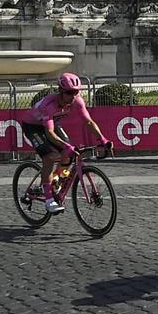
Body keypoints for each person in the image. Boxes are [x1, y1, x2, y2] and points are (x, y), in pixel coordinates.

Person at [19, 73, 109, 213]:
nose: (73, 96)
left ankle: (54, 183)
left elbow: (88, 122)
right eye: (69, 92)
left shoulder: (77, 101)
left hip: (52, 124)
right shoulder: (49, 105)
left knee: (69, 155)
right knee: (49, 157)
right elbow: (49, 133)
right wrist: (65, 146)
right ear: (60, 91)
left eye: (76, 92)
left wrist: (102, 139)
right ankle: (49, 200)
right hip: (33, 126)